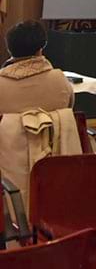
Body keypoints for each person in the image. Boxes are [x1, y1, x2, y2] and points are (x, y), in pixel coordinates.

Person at [0, 20, 79, 206]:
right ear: (41, 48)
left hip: (7, 175)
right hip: (56, 174)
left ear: (10, 49)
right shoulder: (60, 80)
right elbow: (70, 107)